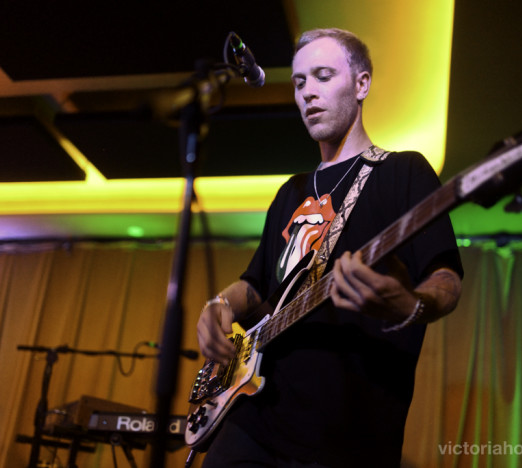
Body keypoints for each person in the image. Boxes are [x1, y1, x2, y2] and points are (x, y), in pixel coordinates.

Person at [196, 28, 463, 467]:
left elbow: (446, 277)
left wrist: (410, 306)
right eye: (300, 82)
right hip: (252, 420)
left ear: (361, 84)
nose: (307, 94)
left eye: (323, 76)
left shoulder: (403, 172)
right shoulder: (290, 191)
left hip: (345, 436)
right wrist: (218, 304)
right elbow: (256, 285)